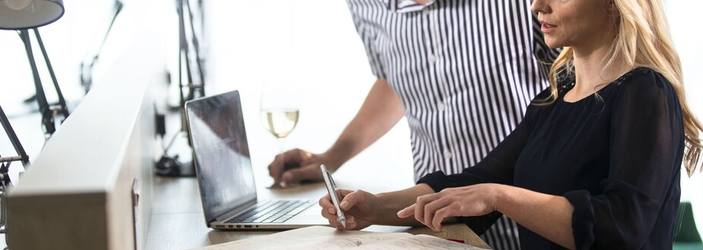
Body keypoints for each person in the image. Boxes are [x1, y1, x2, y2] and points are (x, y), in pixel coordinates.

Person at [319, 0, 703, 248]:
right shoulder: (553, 99)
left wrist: (500, 195)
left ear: (612, 4)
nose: (538, 5)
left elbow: (624, 228)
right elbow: (475, 181)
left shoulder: (645, 93)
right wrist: (373, 208)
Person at [267, 0, 558, 249]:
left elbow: (581, 75)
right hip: (429, 217)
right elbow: (397, 78)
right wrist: (333, 156)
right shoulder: (366, 5)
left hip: (528, 215)